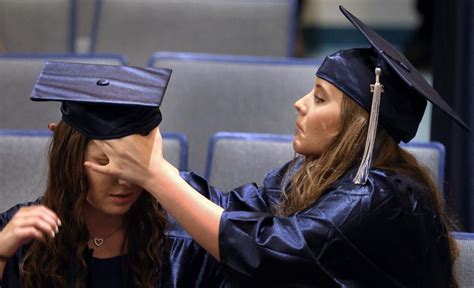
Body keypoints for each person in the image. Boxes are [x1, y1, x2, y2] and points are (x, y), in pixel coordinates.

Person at [86, 6, 470, 287]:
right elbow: (230, 208)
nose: (300, 103)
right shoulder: (312, 173)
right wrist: (138, 160)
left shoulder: (376, 196)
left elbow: (266, 254)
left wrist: (155, 175)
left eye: (320, 98)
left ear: (359, 126)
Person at [0, 62, 224, 287]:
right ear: (71, 161)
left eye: (134, 166)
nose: (125, 180)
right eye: (104, 163)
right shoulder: (20, 234)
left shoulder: (186, 241)